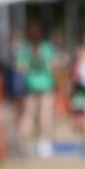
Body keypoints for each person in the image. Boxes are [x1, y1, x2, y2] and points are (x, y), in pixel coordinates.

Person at [15, 20, 57, 157]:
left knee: (28, 115)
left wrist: (30, 68)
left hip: (30, 85)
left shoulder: (24, 48)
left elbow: (20, 67)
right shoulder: (46, 47)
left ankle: (24, 144)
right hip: (45, 85)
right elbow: (52, 67)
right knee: (45, 114)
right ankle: (44, 144)